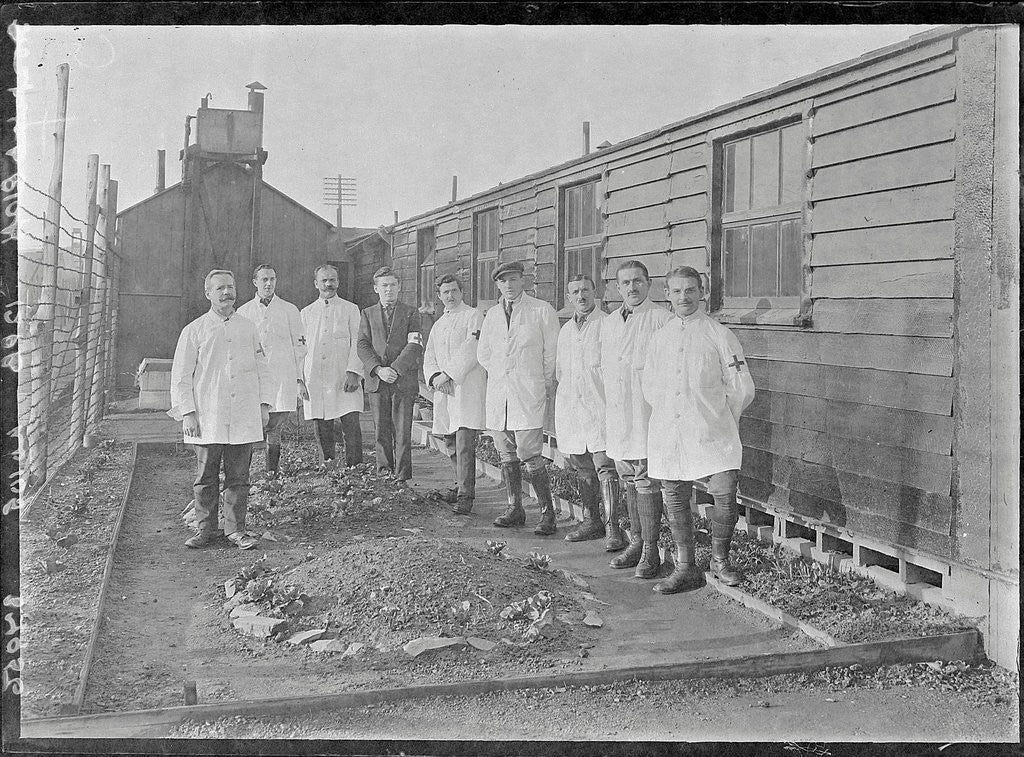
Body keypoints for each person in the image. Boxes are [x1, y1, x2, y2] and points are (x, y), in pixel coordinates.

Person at [644, 266, 755, 592]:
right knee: (675, 495)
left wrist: (721, 419)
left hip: (713, 429)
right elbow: (650, 387)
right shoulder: (660, 337)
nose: (684, 297)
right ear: (667, 295)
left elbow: (741, 388)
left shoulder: (719, 335)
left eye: (690, 290)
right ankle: (685, 566)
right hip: (671, 430)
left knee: (724, 493)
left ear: (702, 292)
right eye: (677, 291)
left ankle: (720, 560)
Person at [169, 269, 273, 550]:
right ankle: (206, 530)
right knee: (206, 477)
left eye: (230, 287)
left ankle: (235, 530)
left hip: (243, 413)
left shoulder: (248, 327)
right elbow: (181, 376)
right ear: (208, 294)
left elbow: (262, 368)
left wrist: (264, 405)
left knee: (239, 476)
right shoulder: (194, 330)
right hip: (208, 414)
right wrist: (187, 412)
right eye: (220, 288)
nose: (227, 292)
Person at [600, 259, 673, 577]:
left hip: (646, 414)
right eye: (626, 283)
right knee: (628, 477)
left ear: (649, 284)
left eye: (638, 281)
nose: (632, 287)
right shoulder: (610, 322)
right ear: (618, 288)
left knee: (645, 479)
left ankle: (651, 551)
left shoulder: (661, 319)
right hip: (619, 414)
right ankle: (636, 541)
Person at [477, 260, 560, 535]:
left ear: (523, 280)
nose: (509, 285)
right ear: (497, 285)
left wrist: (537, 381)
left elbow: (551, 355)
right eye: (503, 281)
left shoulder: (541, 310)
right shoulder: (492, 315)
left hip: (528, 392)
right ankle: (515, 508)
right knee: (505, 451)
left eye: (513, 279)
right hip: (500, 392)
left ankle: (547, 514)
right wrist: (502, 372)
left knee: (530, 453)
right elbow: (484, 353)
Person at [554, 274, 624, 548]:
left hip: (600, 407)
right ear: (569, 297)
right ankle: (591, 520)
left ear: (596, 292)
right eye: (575, 292)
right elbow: (561, 372)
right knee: (583, 467)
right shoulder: (565, 331)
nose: (581, 296)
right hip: (573, 409)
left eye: (585, 290)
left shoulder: (608, 324)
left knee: (605, 467)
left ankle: (613, 528)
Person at [422, 273, 486, 514]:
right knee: (450, 440)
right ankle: (459, 485)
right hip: (445, 389)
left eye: (454, 291)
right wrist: (434, 377)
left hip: (465, 387)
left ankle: (466, 496)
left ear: (462, 292)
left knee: (464, 442)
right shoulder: (439, 324)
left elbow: (472, 349)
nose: (450, 296)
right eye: (445, 292)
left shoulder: (473, 316)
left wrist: (448, 374)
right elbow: (429, 354)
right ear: (439, 296)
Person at [236, 264, 307, 478]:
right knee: (250, 427)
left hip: (281, 378)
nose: (268, 284)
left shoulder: (289, 310)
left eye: (272, 279)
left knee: (274, 427)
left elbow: (300, 347)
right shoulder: (244, 311)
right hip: (253, 380)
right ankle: (242, 475)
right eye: (264, 279)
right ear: (255, 282)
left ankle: (271, 474)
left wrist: (298, 378)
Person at [357, 266, 424, 481]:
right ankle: (384, 472)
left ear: (399, 287)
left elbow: (414, 344)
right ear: (376, 288)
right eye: (384, 285)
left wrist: (394, 369)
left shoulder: (411, 312)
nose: (389, 290)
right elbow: (362, 345)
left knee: (403, 432)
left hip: (402, 380)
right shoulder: (367, 314)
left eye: (393, 285)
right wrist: (379, 370)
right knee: (381, 431)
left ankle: (402, 476)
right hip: (378, 381)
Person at [300, 264, 364, 469]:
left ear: (338, 282)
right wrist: (300, 380)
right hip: (316, 377)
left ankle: (355, 468)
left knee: (350, 424)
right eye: (324, 280)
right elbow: (300, 349)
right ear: (316, 284)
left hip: (343, 375)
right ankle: (327, 466)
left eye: (332, 280)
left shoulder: (350, 309)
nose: (328, 284)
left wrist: (354, 372)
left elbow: (359, 342)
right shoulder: (306, 313)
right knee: (322, 424)